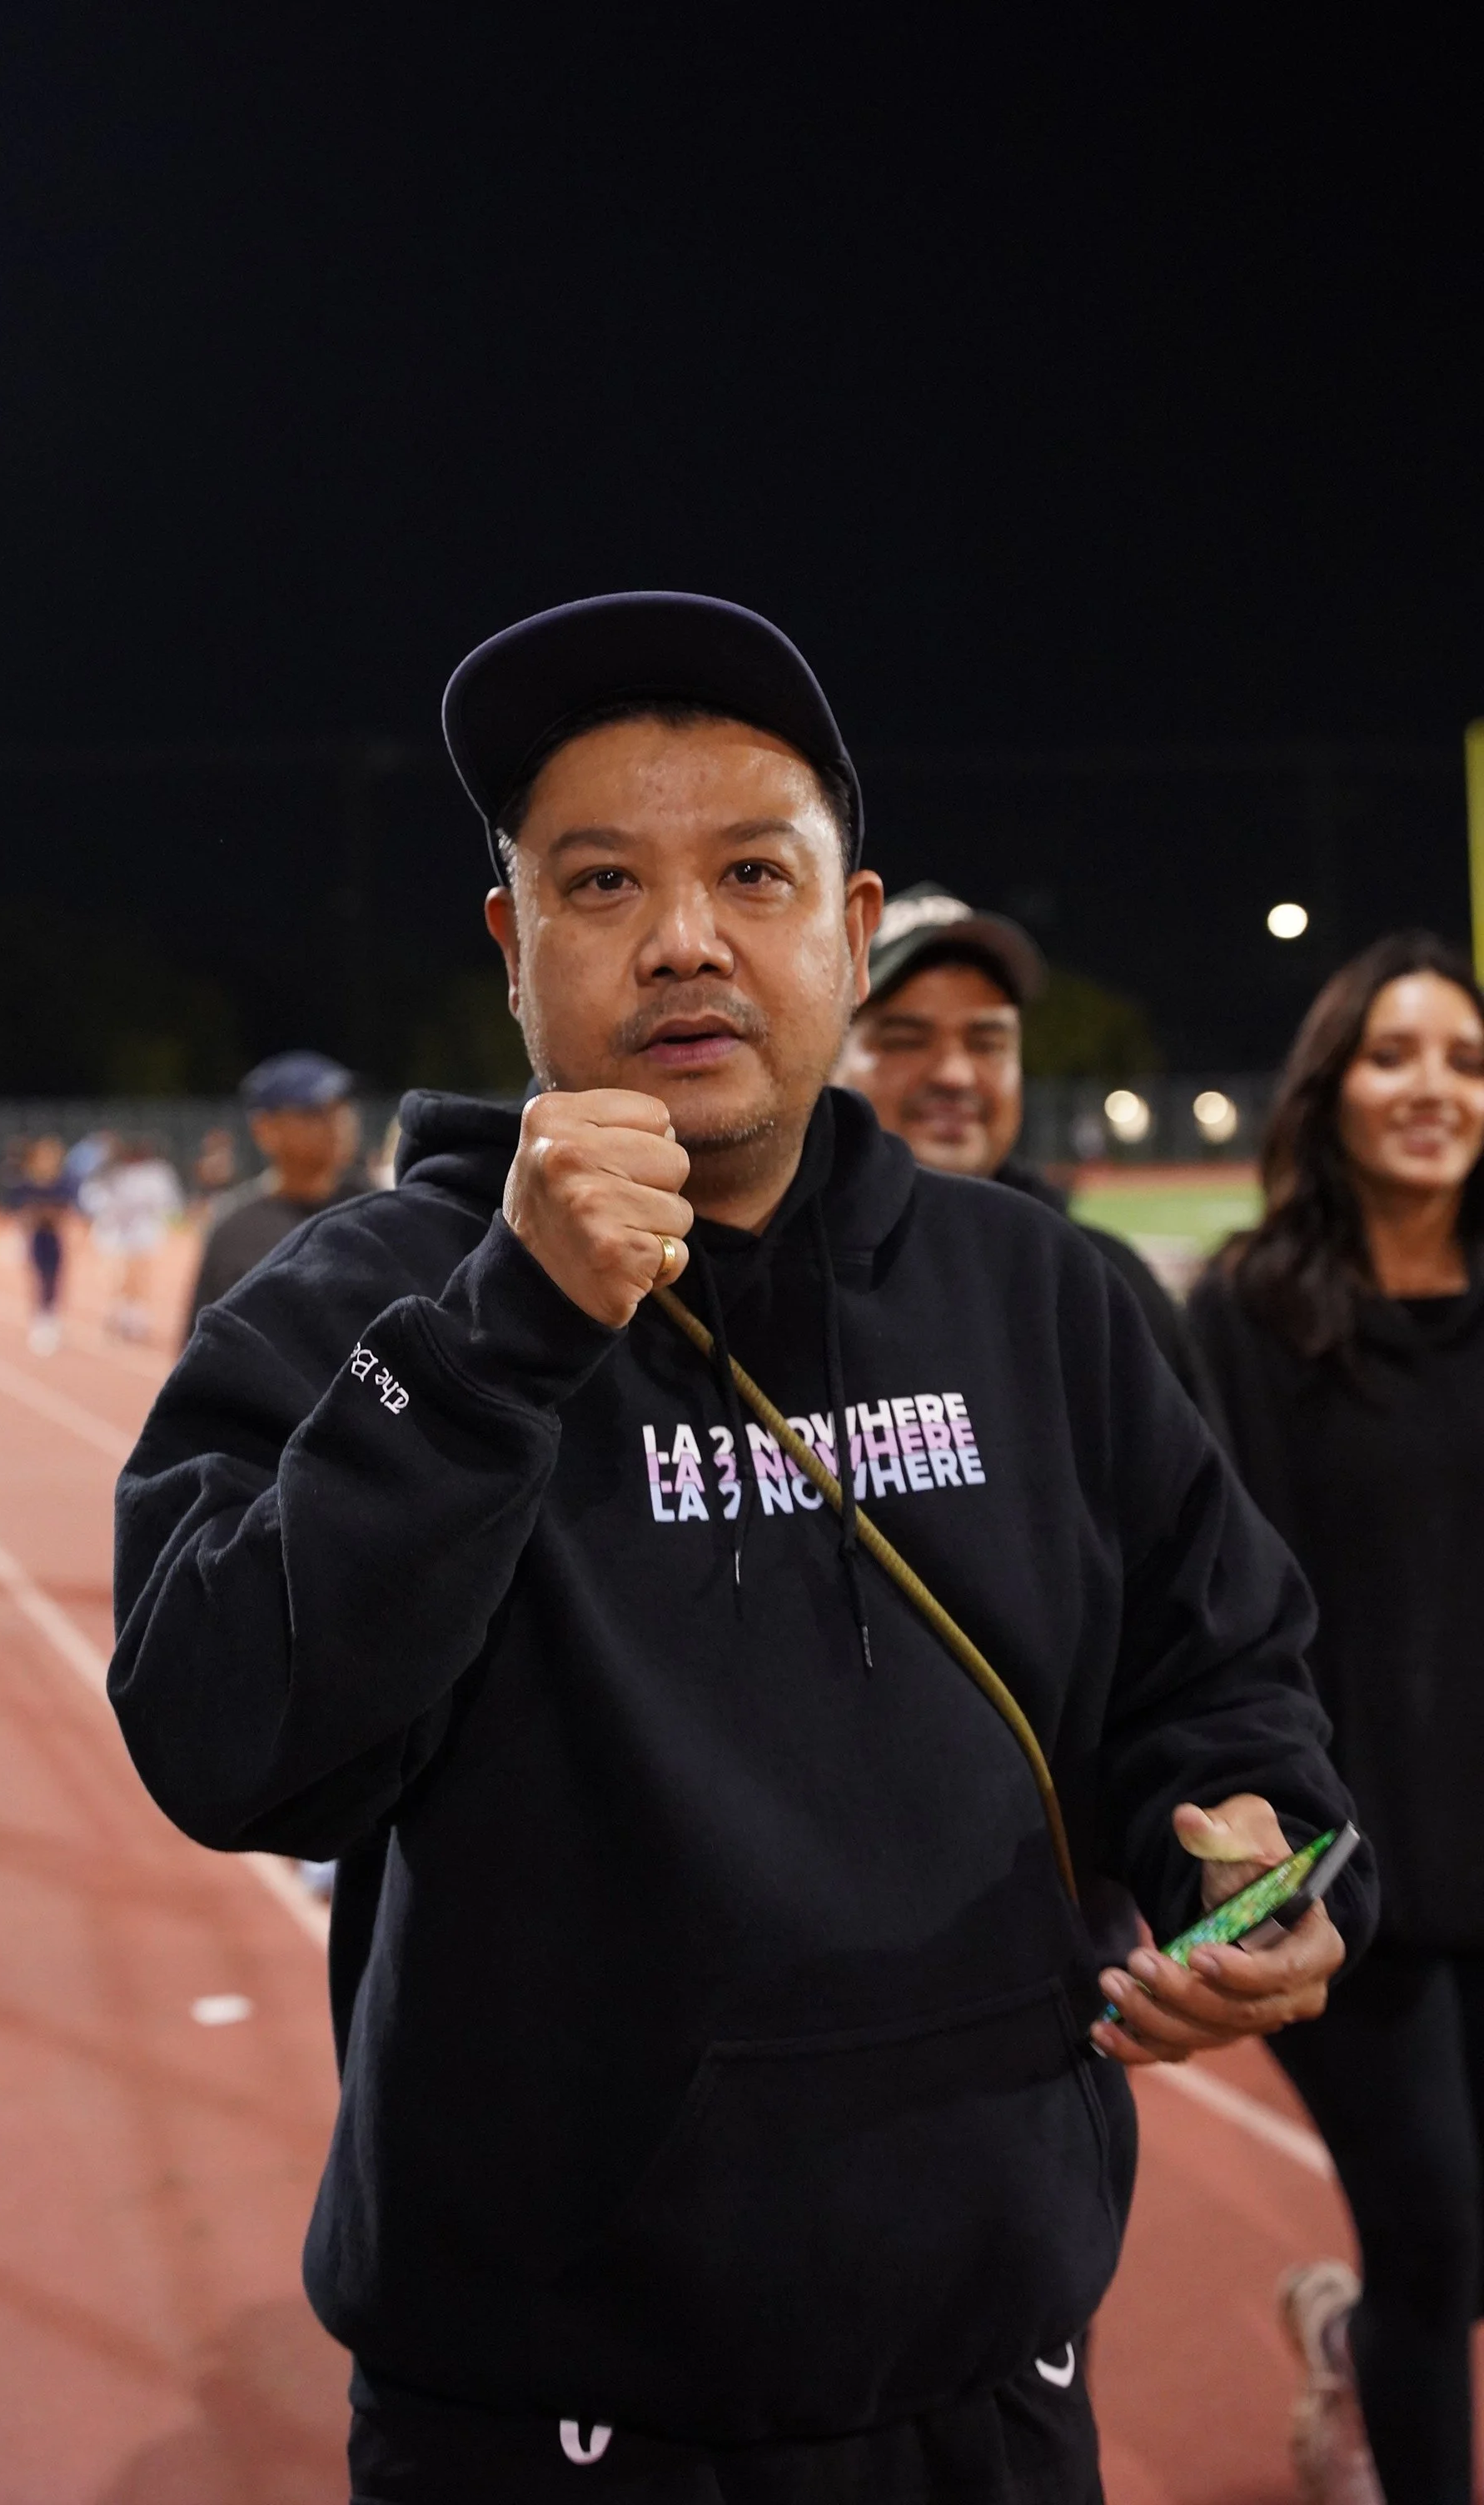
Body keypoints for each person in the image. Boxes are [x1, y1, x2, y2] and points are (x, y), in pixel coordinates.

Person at [110, 593, 1372, 2505]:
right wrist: (501, 1338)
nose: (682, 934)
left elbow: (1220, 1665)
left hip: (991, 2370)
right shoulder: (355, 1303)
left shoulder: (1040, 1289)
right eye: (600, 877)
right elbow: (223, 1739)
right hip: (542, 2417)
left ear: (850, 931)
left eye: (751, 873)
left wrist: (1249, 1826)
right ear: (512, 948)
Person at [1189, 931, 1484, 2505]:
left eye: (1464, 1059)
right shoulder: (1251, 1315)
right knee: (1435, 2235)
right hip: (1358, 1874)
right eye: (1394, 1054)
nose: (1431, 1087)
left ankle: (1341, 2333)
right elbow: (1229, 1605)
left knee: (1465, 2251)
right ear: (1333, 1089)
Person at [834, 884, 1204, 1392]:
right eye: (905, 1040)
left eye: (988, 1042)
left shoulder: (1100, 1283)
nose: (956, 1075)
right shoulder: (773, 1284)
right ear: (828, 1060)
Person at [185, 1052, 363, 1337]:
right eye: (314, 1112)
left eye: (342, 1107)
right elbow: (200, 1355)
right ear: (265, 1129)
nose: (338, 1122)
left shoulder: (378, 1207)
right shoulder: (234, 1233)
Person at [81, 1138, 182, 1342]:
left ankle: (135, 1317)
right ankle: (118, 1312)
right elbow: (92, 1199)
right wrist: (109, 1212)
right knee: (117, 1275)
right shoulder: (106, 1174)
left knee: (139, 1274)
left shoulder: (154, 1174)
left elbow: (167, 1202)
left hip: (141, 1232)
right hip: (114, 1232)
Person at [6, 1134, 76, 1355]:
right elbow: (21, 1211)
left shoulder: (63, 1181)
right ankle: (40, 1318)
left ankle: (51, 1316)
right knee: (38, 1276)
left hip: (55, 1237)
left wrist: (44, 1214)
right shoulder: (26, 1182)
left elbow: (65, 1210)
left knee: (55, 1277)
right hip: (36, 1237)